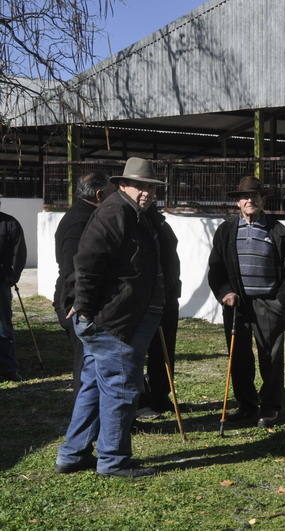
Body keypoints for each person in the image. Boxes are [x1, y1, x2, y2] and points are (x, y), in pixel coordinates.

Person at [55, 157, 166, 478]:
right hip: (114, 319)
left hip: (116, 316)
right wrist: (85, 306)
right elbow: (86, 262)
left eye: (150, 187)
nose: (146, 193)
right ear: (122, 185)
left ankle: (73, 454)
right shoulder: (115, 212)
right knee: (120, 387)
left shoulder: (131, 212)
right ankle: (113, 460)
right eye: (140, 186)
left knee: (92, 385)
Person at [208, 176, 285, 428]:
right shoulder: (226, 230)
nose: (249, 200)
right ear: (238, 202)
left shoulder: (279, 231)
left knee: (271, 357)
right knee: (239, 357)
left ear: (262, 199)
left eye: (254, 196)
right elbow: (215, 268)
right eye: (245, 196)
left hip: (269, 302)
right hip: (237, 304)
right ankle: (246, 406)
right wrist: (225, 292)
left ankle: (270, 408)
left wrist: (280, 300)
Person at [53, 172, 116, 396]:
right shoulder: (79, 222)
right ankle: (88, 423)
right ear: (100, 194)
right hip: (76, 302)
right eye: (111, 192)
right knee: (86, 364)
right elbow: (73, 267)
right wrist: (79, 301)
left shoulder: (89, 215)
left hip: (83, 298)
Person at [137, 203, 181, 418]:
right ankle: (139, 398)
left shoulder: (161, 226)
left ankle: (160, 395)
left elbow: (171, 257)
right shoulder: (131, 224)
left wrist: (172, 290)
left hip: (167, 296)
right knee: (136, 352)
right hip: (141, 299)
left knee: (163, 351)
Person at [0, 194, 27, 382]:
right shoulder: (10, 223)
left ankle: (8, 368)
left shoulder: (10, 223)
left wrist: (12, 277)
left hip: (1, 281)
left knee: (3, 326)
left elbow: (19, 254)